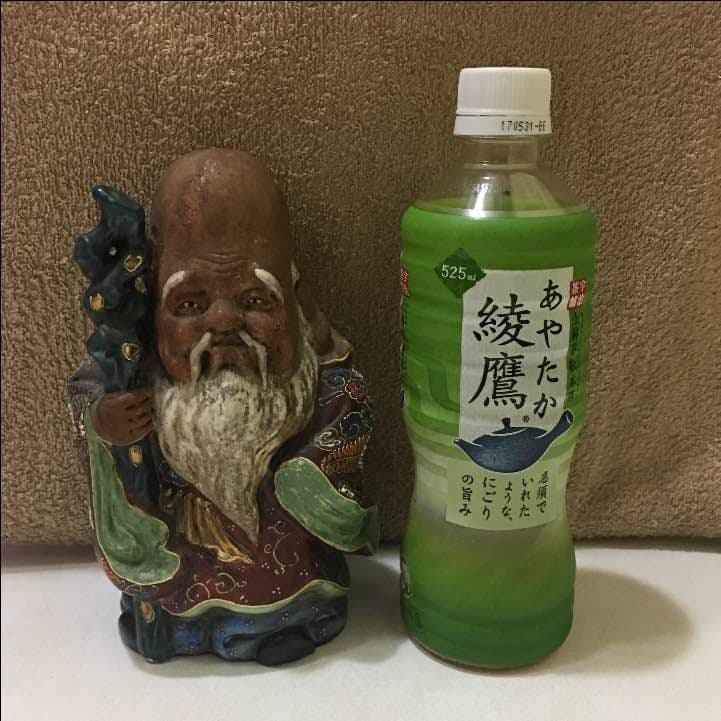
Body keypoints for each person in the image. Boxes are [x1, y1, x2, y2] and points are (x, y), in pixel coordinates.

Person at [70, 149, 378, 664]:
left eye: (255, 301)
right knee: (184, 606)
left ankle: (288, 623)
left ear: (296, 302)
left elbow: (349, 410)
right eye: (190, 304)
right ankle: (189, 628)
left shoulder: (319, 373)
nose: (224, 323)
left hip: (291, 569)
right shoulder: (132, 370)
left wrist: (307, 481)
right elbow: (90, 400)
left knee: (297, 594)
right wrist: (106, 425)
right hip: (183, 566)